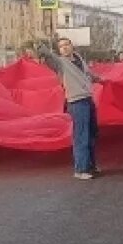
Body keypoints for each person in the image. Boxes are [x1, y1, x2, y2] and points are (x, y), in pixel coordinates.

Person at [39, 37, 105, 180]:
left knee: (92, 134)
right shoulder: (60, 63)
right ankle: (80, 169)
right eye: (61, 46)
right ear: (59, 50)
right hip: (77, 102)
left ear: (71, 46)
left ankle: (91, 165)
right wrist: (41, 47)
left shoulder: (79, 59)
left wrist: (100, 80)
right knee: (81, 135)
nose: (65, 48)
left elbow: (87, 74)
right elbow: (48, 57)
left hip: (88, 99)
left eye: (67, 44)